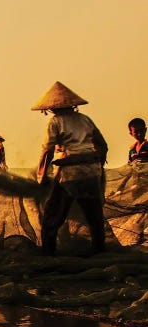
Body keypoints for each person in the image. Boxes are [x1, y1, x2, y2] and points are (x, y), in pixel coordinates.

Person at [33, 81, 108, 256]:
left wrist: (41, 177)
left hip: (70, 175)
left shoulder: (55, 122)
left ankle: (48, 255)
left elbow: (47, 150)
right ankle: (99, 251)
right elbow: (102, 145)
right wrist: (97, 164)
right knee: (94, 216)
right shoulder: (85, 119)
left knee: (52, 216)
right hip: (91, 173)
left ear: (51, 108)